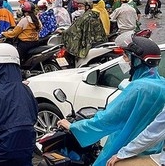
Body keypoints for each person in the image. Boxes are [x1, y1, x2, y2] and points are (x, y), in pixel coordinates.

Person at [57, 36, 165, 166]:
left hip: (125, 147)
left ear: (137, 61)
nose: (124, 60)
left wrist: (73, 126)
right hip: (151, 151)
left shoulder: (137, 88)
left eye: (126, 56)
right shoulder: (160, 84)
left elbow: (106, 119)